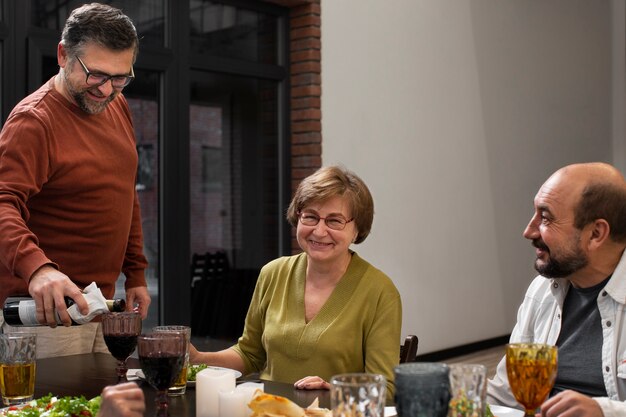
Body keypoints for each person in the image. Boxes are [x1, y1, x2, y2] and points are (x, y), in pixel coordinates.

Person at [0, 3, 150, 357]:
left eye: (120, 77)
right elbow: (3, 201)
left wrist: (137, 274)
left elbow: (125, 194)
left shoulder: (117, 104)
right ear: (63, 55)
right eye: (96, 74)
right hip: (46, 314)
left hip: (104, 307)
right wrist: (37, 269)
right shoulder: (33, 122)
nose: (107, 90)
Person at [189, 165, 402, 399]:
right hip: (268, 411)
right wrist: (199, 359)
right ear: (297, 217)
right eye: (310, 216)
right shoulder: (273, 273)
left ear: (357, 230)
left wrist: (337, 391)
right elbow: (250, 355)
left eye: (334, 221)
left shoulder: (380, 291)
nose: (319, 231)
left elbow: (386, 390)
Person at [487, 162, 626, 417]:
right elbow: (505, 396)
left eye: (546, 218)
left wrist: (603, 411)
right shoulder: (542, 291)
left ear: (596, 233)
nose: (528, 231)